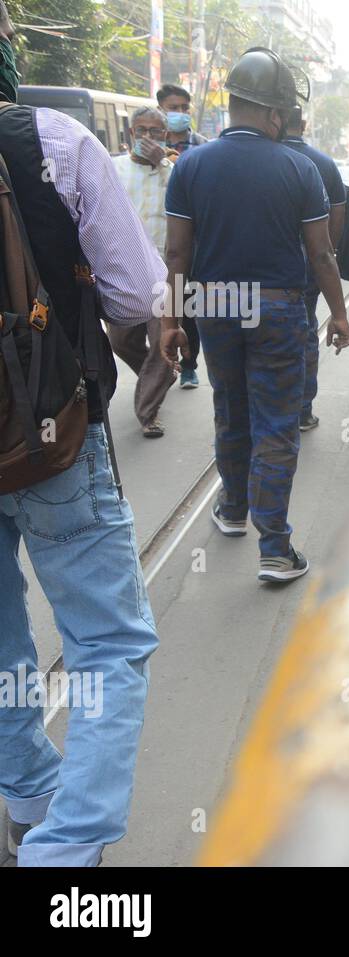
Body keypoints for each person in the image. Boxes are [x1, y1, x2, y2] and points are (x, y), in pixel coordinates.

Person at [0, 2, 164, 865]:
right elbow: (137, 295)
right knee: (106, 639)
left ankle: (28, 795)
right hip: (46, 431)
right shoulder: (50, 142)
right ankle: (63, 855)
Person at [160, 46, 349, 584]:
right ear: (275, 113)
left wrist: (170, 321)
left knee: (230, 408)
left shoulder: (191, 165)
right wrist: (338, 314)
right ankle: (275, 546)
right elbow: (321, 255)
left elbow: (177, 254)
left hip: (214, 304)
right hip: (278, 308)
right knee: (275, 424)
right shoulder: (298, 168)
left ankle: (232, 509)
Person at [109, 105, 176, 438]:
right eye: (142, 131)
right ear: (130, 135)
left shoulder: (172, 170)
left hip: (164, 274)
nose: (149, 138)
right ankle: (157, 375)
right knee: (120, 340)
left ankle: (148, 413)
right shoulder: (111, 168)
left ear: (165, 136)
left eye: (157, 132)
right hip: (122, 272)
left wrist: (161, 163)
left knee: (162, 341)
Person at [282, 108, 347, 431]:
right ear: (303, 124)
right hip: (309, 270)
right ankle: (303, 408)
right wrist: (326, 257)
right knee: (306, 335)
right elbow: (337, 217)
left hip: (261, 274)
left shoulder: (268, 159)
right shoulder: (322, 163)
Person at [156, 83, 208, 154]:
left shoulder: (203, 145)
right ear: (160, 110)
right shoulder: (154, 144)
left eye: (185, 107)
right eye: (173, 108)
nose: (181, 112)